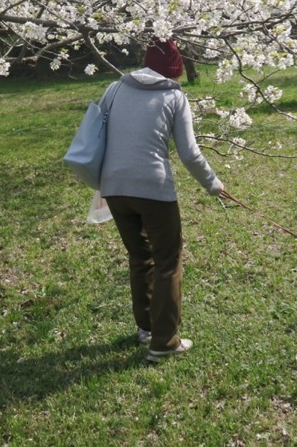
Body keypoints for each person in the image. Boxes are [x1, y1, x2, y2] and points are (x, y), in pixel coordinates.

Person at [99, 37, 225, 363]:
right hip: (153, 189)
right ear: (174, 70)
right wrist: (213, 185)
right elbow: (190, 154)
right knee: (168, 262)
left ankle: (145, 328)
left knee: (140, 257)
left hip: (113, 187)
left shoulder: (114, 89)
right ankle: (164, 342)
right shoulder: (173, 95)